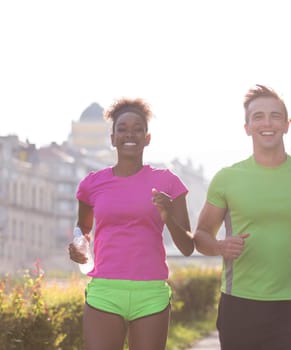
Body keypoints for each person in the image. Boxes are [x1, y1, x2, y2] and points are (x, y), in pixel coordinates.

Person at [194, 84, 291, 350]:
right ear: (247, 128)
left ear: (287, 125)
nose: (267, 123)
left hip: (289, 306)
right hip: (238, 305)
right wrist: (220, 246)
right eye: (258, 116)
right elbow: (201, 235)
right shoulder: (227, 178)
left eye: (275, 116)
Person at [68, 97, 194, 350]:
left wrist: (168, 216)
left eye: (138, 129)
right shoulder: (92, 184)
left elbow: (188, 247)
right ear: (112, 137)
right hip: (104, 291)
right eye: (122, 129)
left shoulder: (168, 182)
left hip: (151, 294)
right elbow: (83, 230)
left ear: (147, 138)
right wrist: (77, 247)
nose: (130, 135)